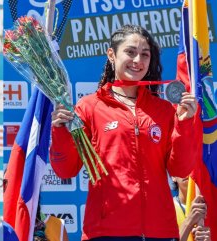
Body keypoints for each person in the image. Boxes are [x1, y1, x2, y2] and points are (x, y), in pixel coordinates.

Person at [49, 25, 200, 240]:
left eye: (145, 55)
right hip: (106, 232)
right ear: (112, 54)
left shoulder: (164, 110)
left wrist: (184, 125)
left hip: (160, 231)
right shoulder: (89, 107)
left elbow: (181, 168)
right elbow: (66, 169)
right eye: (130, 52)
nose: (138, 60)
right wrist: (60, 131)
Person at [172, 177, 212, 241]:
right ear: (173, 177)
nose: (187, 172)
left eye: (191, 168)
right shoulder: (165, 211)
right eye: (182, 167)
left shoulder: (212, 209)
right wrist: (189, 221)